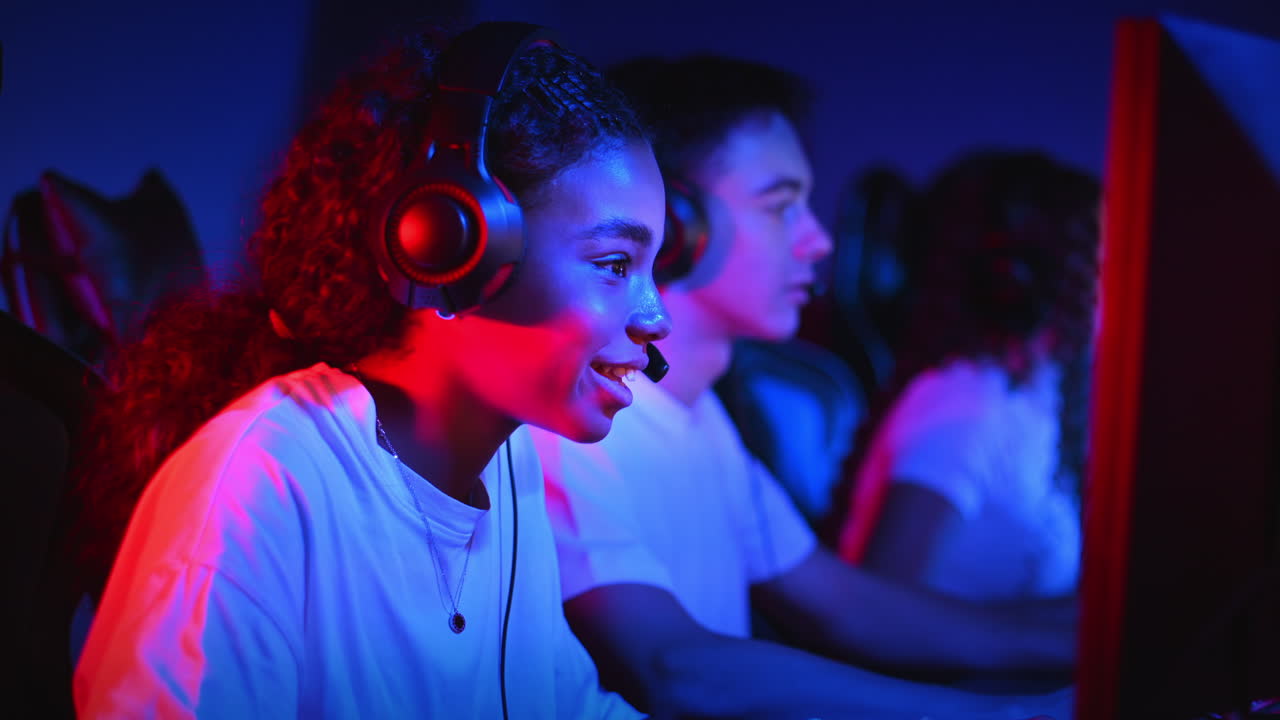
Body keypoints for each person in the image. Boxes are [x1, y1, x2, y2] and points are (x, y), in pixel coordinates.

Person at [70, 22, 667, 718]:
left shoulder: (511, 470)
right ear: (455, 244)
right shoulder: (259, 485)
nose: (656, 319)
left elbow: (564, 705)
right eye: (614, 265)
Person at [529, 56, 1076, 719]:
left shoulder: (701, 419)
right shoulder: (581, 426)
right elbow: (672, 668)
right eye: (781, 206)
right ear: (678, 225)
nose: (818, 242)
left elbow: (844, 606)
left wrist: (1089, 644)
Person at [833, 150, 1099, 689]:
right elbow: (877, 616)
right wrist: (1075, 630)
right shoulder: (968, 402)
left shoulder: (1035, 399)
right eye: (1099, 251)